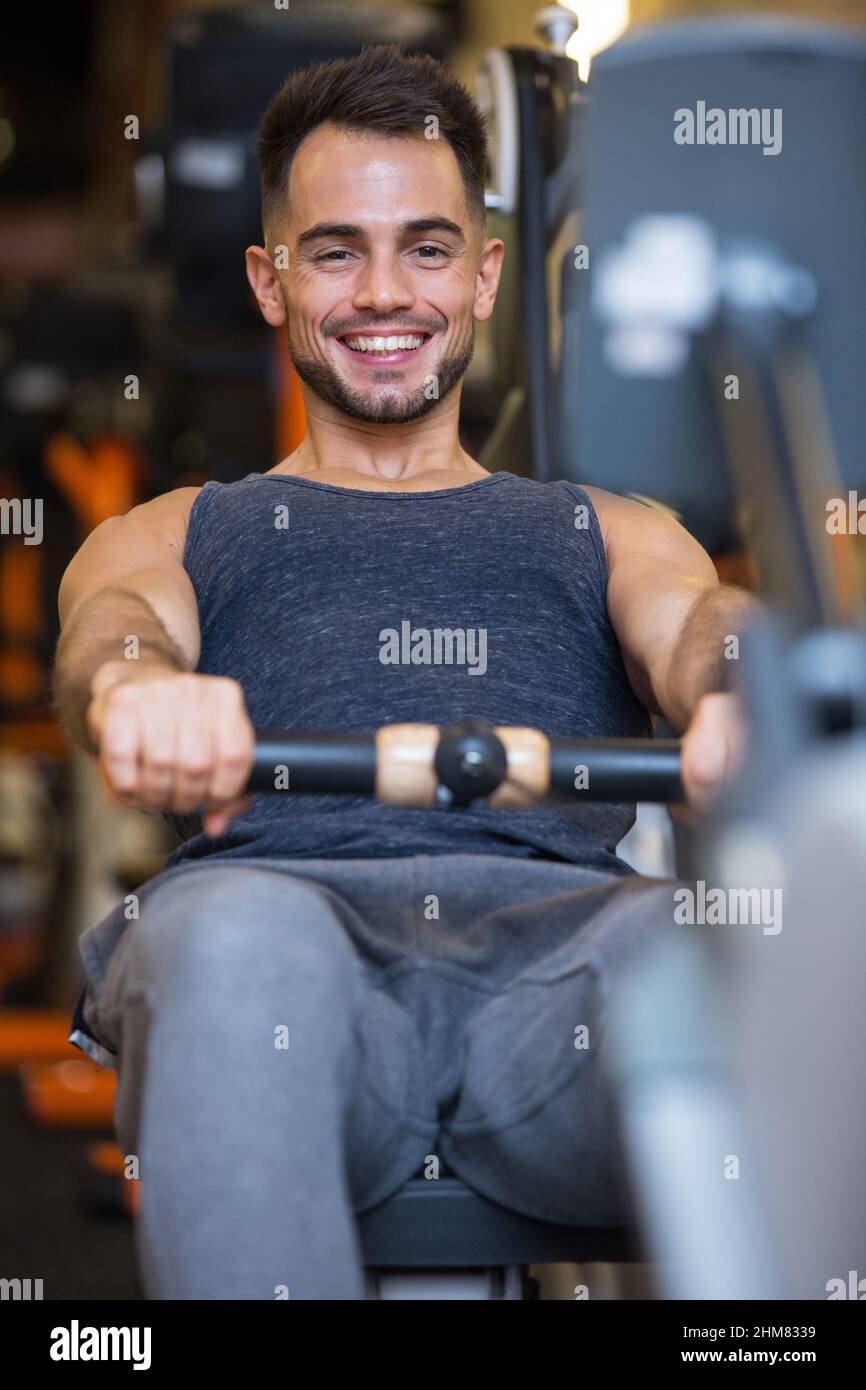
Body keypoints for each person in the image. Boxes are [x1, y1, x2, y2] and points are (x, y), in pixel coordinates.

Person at [53, 45, 755, 1299]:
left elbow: (700, 623)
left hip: (564, 987)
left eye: (426, 248)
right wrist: (134, 685)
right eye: (335, 252)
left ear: (485, 275)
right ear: (270, 282)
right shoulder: (177, 528)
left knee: (741, 947)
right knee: (227, 942)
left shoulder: (609, 526)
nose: (384, 293)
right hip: (284, 963)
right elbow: (116, 625)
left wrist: (741, 693)